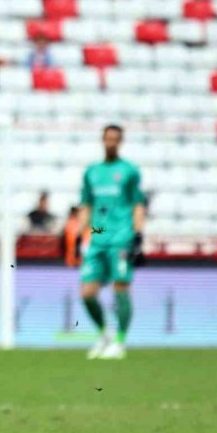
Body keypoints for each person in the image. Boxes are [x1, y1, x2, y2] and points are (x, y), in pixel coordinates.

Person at [78, 124, 146, 360]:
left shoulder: (129, 171)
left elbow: (138, 203)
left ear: (121, 141)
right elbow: (86, 204)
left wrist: (138, 234)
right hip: (98, 239)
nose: (111, 143)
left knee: (120, 288)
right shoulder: (92, 172)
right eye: (108, 138)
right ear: (102, 140)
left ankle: (119, 341)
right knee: (87, 292)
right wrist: (80, 233)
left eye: (116, 139)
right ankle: (103, 334)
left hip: (121, 238)